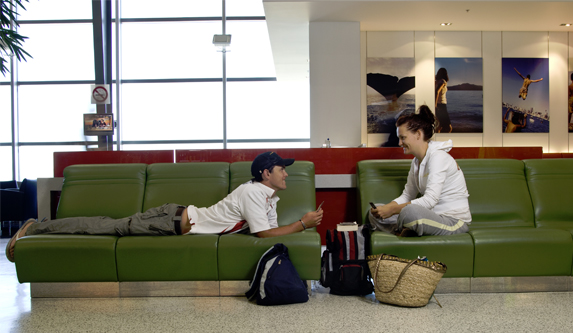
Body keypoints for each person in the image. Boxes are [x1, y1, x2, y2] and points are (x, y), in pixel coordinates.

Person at [6, 152, 324, 262]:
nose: (286, 172)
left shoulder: (267, 197)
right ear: (266, 173)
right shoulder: (254, 191)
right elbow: (266, 234)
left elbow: (267, 230)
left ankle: (38, 227)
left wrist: (300, 223)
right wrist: (304, 223)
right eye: (282, 168)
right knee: (104, 226)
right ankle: (35, 228)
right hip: (168, 220)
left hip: (175, 220)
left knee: (107, 224)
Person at [369, 104, 471, 237]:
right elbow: (407, 195)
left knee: (410, 213)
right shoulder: (416, 162)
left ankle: (404, 227)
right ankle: (404, 229)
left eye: (403, 138)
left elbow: (429, 200)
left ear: (418, 134)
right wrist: (385, 209)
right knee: (373, 213)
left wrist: (392, 210)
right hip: (431, 218)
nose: (400, 143)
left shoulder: (438, 157)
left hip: (453, 222)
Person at [435, 68, 452, 133]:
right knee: (448, 128)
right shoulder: (443, 81)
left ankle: (438, 141)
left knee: (439, 126)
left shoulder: (435, 82)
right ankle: (446, 142)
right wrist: (435, 105)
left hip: (438, 105)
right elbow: (437, 91)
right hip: (442, 105)